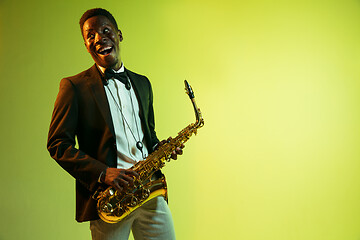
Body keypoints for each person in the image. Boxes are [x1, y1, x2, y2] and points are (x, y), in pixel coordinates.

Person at [47, 8, 182, 240]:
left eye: (105, 30)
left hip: (150, 192)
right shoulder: (74, 87)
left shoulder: (143, 83)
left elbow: (148, 134)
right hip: (111, 199)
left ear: (119, 35)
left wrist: (161, 148)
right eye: (90, 35)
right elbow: (58, 144)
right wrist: (103, 173)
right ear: (86, 45)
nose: (99, 38)